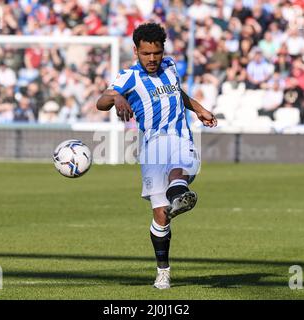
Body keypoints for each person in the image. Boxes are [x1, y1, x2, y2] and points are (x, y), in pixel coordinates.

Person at [96, 23, 217, 290]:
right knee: (161, 216)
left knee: (179, 170)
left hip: (179, 137)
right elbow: (101, 101)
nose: (152, 59)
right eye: (146, 54)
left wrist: (199, 109)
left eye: (157, 53)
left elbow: (178, 93)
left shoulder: (171, 66)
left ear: (163, 51)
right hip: (151, 149)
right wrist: (116, 98)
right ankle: (163, 270)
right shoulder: (128, 77)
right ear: (136, 51)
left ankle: (179, 194)